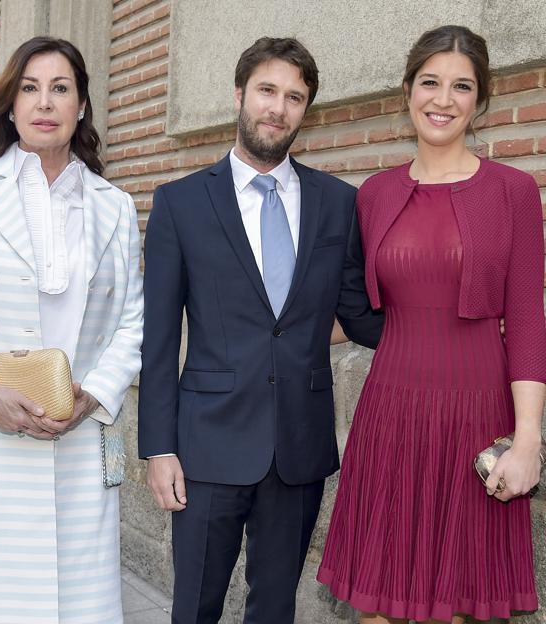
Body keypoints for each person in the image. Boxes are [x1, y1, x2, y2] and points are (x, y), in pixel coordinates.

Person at [138, 37, 383, 623]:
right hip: (206, 447)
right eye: (268, 91)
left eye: (294, 97)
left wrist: (448, 323)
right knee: (193, 607)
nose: (278, 108)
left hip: (298, 447)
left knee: (275, 610)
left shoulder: (338, 204)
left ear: (306, 111)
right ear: (240, 96)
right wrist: (158, 447)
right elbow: (160, 339)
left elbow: (359, 315)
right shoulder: (180, 203)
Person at [318, 25, 546, 623]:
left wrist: (527, 442)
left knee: (463, 604)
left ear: (480, 101)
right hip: (390, 416)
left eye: (461, 86)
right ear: (407, 91)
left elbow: (525, 321)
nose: (442, 99)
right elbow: (359, 311)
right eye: (430, 82)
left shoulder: (513, 192)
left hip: (476, 414)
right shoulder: (374, 194)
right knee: (378, 601)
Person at [0, 37, 143, 623]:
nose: (45, 102)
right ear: (11, 105)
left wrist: (93, 393)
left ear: (82, 106)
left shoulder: (113, 206)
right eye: (30, 87)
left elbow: (131, 322)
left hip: (78, 431)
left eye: (60, 88)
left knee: (78, 605)